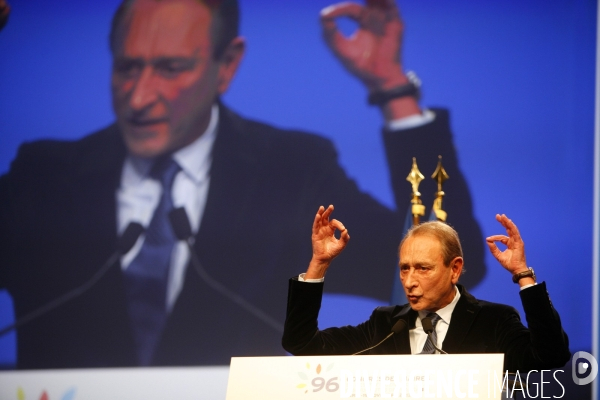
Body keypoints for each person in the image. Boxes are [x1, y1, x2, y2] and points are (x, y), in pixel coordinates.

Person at [0, 0, 483, 368]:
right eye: (128, 67)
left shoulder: (290, 170)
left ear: (226, 66)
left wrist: (392, 89)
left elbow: (452, 265)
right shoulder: (45, 174)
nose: (140, 97)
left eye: (170, 68)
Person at [282, 206, 570, 372]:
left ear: (454, 268)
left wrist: (523, 274)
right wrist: (318, 263)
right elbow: (302, 344)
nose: (409, 281)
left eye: (423, 268)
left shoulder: (493, 322)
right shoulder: (385, 325)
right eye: (404, 268)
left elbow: (552, 355)